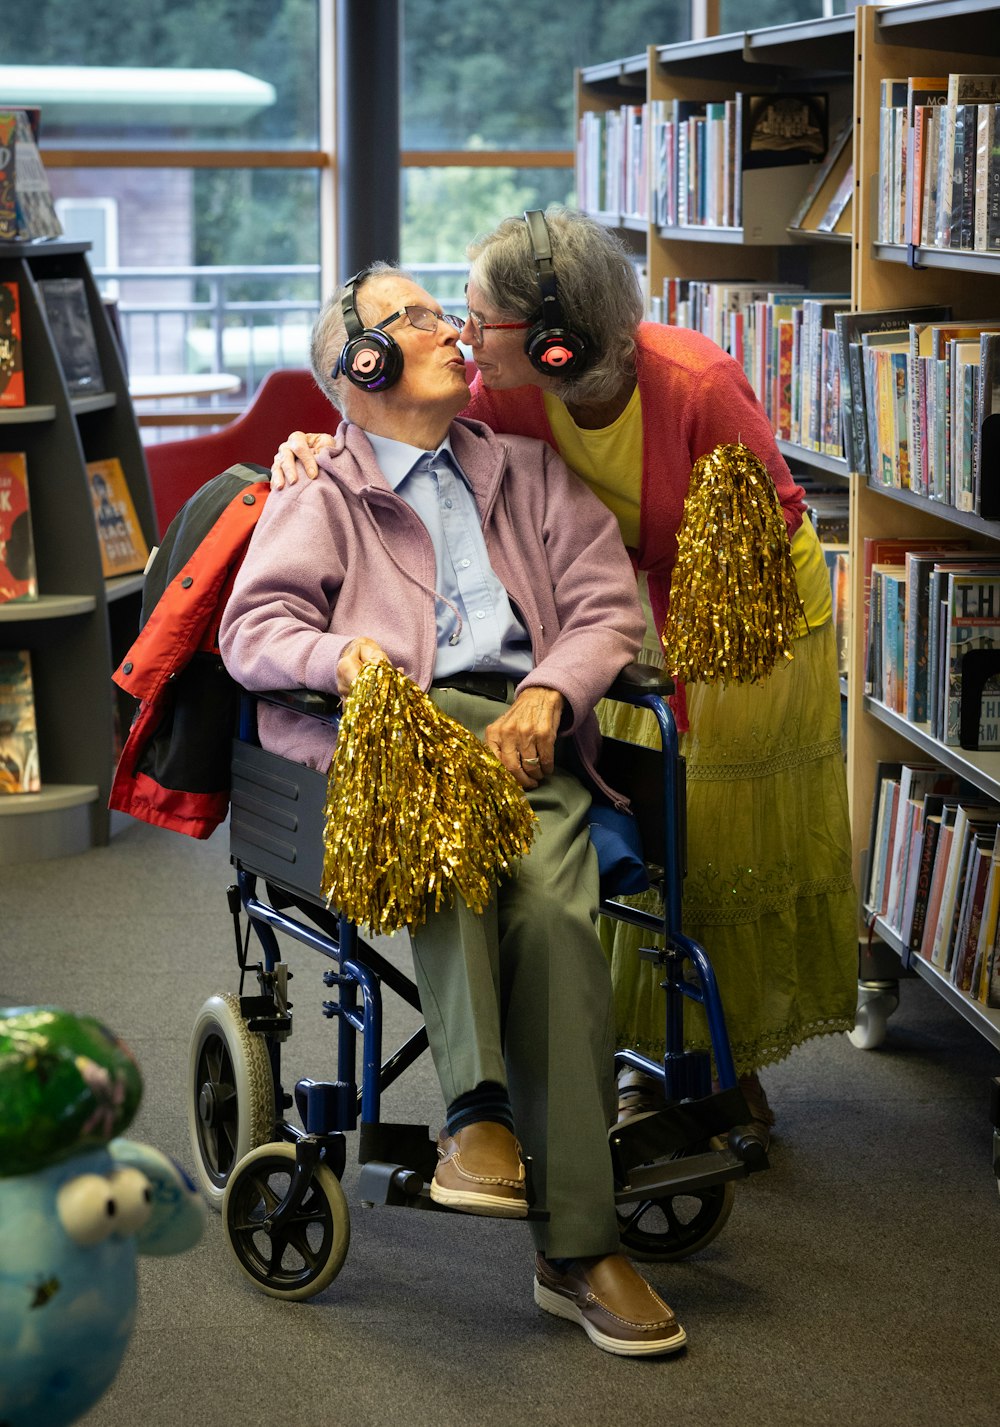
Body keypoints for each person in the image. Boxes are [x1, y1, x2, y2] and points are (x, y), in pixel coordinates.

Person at [271, 207, 859, 1148]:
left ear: (552, 343)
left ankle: (725, 1065)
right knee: (631, 806)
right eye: (450, 316)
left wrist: (658, 652)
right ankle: (645, 1059)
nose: (462, 335)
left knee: (716, 832)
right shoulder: (501, 390)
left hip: (745, 608)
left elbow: (757, 530)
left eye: (475, 316)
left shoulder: (697, 382)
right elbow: (379, 410)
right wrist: (304, 445)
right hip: (625, 598)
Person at [219, 262, 688, 1358]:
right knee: (442, 827)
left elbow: (605, 608)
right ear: (361, 362)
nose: (448, 329)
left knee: (553, 913)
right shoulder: (319, 490)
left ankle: (572, 1240)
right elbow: (254, 632)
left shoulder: (524, 466)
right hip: (394, 738)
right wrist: (350, 656)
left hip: (526, 735)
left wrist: (546, 692)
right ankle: (481, 1118)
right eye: (417, 317)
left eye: (443, 311)